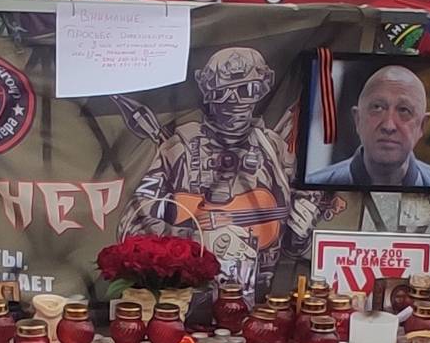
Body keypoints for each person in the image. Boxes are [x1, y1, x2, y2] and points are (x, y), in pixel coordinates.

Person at [118, 47, 327, 293]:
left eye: (247, 90)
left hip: (261, 292)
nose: (234, 102)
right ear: (208, 94)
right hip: (187, 290)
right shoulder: (179, 148)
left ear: (262, 90)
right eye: (223, 93)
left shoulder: (275, 151)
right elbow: (132, 225)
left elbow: (294, 245)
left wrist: (300, 233)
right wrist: (192, 240)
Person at [308, 65, 430, 188]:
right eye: (377, 108)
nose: (389, 126)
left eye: (404, 110)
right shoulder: (313, 189)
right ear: (358, 119)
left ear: (422, 126)